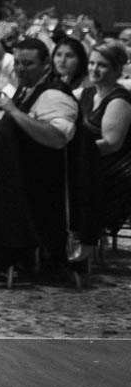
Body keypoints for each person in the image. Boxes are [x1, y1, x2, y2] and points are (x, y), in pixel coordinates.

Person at [0, 36, 78, 277]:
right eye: (18, 63)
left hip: (32, 177)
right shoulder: (25, 85)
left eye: (28, 64)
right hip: (6, 170)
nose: (20, 69)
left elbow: (57, 138)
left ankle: (4, 261)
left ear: (45, 65)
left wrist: (13, 112)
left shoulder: (54, 95)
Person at [79, 42, 131, 241]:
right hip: (89, 162)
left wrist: (75, 152)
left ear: (117, 69)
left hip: (112, 171)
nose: (93, 69)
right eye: (91, 63)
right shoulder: (87, 94)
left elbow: (111, 144)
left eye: (102, 65)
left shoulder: (119, 100)